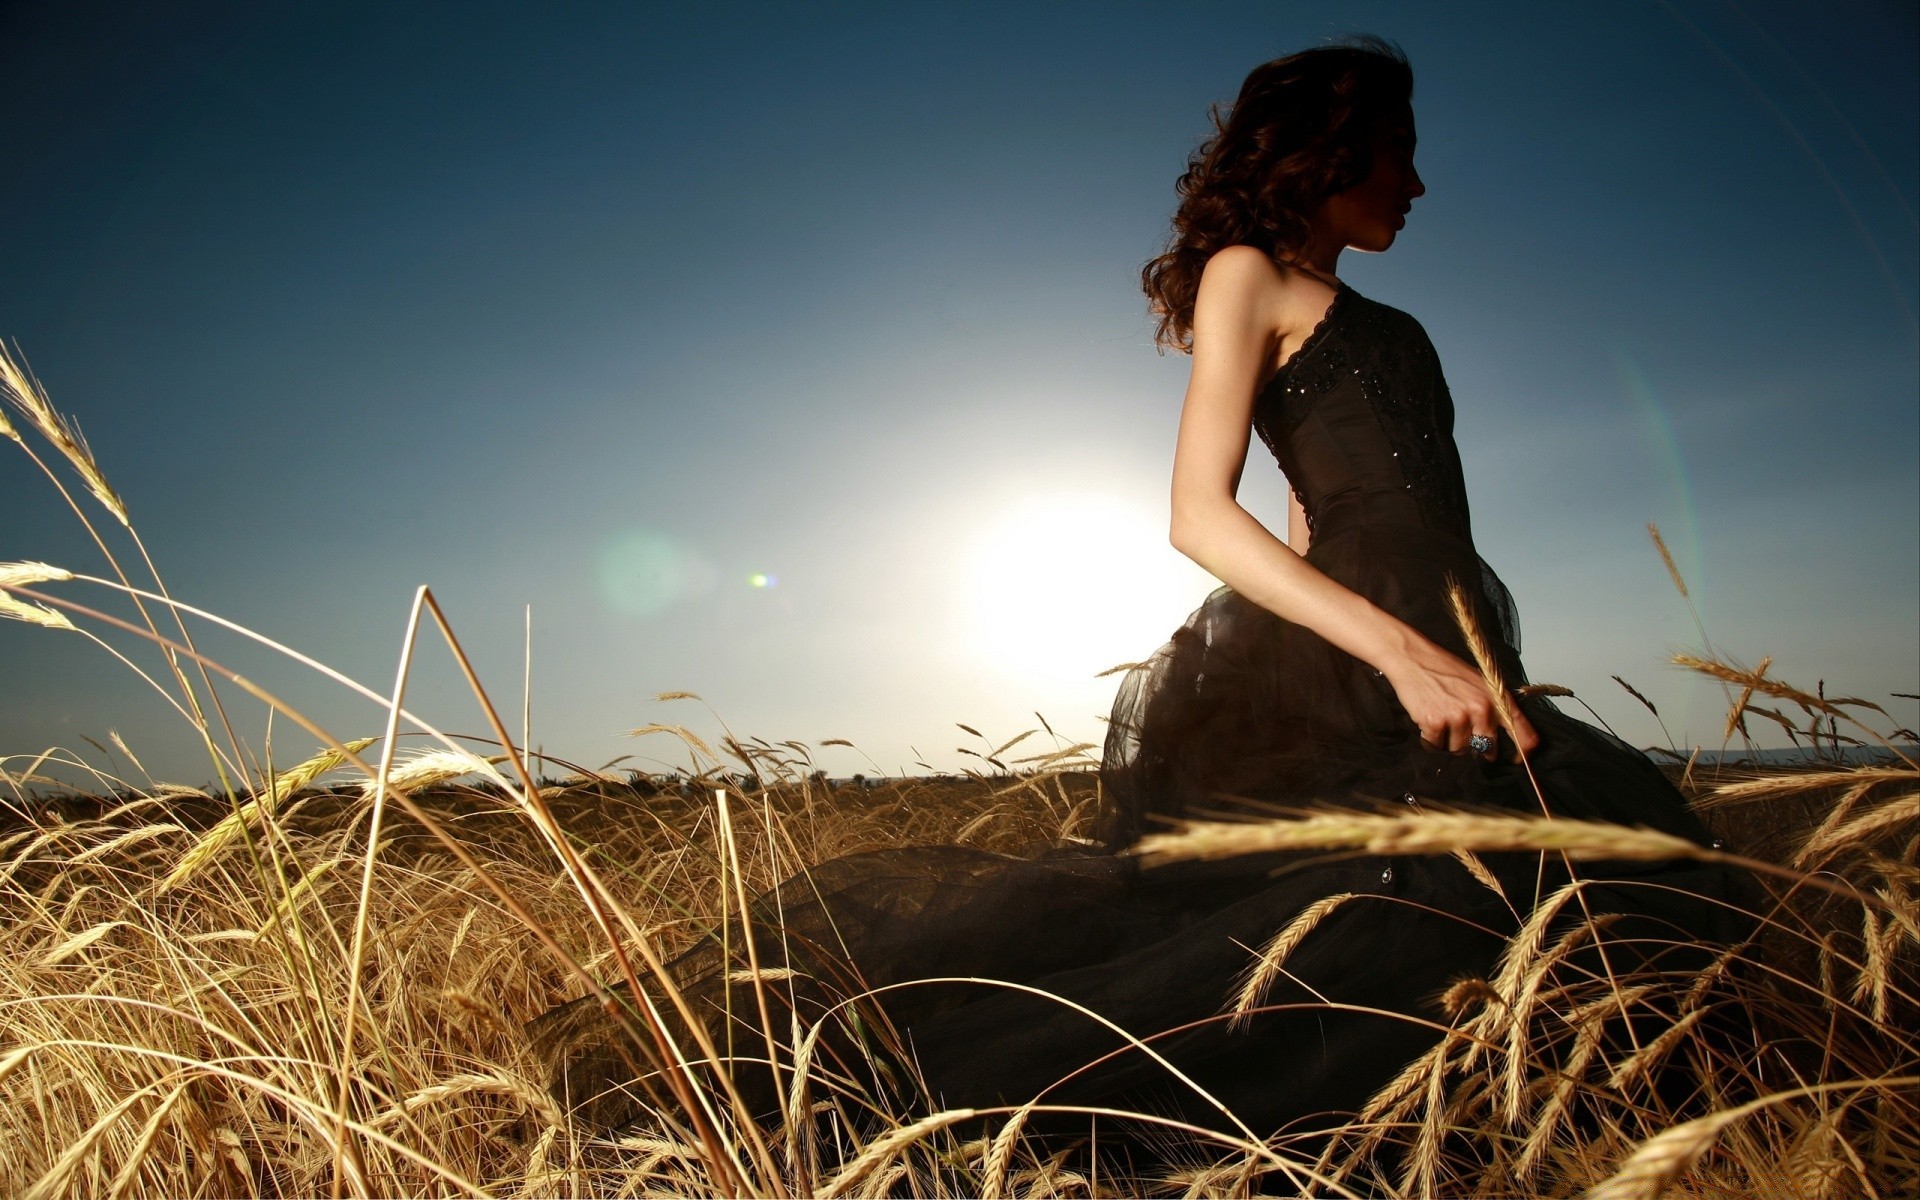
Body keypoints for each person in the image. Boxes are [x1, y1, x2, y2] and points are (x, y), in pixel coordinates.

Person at [531, 36, 1748, 1159]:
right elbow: (1196, 514)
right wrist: (1393, 654)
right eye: (1401, 152)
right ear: (1329, 149)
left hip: (1424, 631)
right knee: (1377, 910)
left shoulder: (1368, 314)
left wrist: (1446, 648)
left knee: (1575, 875)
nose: (1419, 182)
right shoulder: (1246, 273)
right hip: (1382, 645)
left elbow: (1311, 519)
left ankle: (1520, 1134)